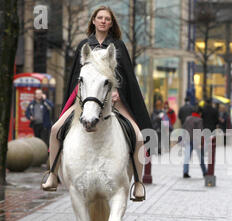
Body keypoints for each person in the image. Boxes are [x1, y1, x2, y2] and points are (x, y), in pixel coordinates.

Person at [41, 6, 152, 201]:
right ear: (93, 20)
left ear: (111, 23)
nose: (103, 21)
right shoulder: (84, 45)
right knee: (55, 129)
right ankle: (53, 174)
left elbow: (126, 76)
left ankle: (138, 183)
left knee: (139, 137)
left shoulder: (118, 46)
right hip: (86, 101)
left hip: (115, 101)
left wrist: (118, 92)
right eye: (99, 18)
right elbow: (77, 77)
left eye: (107, 19)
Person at [182, 106, 207, 178]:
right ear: (199, 113)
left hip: (188, 140)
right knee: (200, 158)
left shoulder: (187, 119)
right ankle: (205, 172)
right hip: (196, 141)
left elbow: (183, 128)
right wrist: (201, 142)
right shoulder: (199, 120)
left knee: (187, 157)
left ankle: (185, 172)